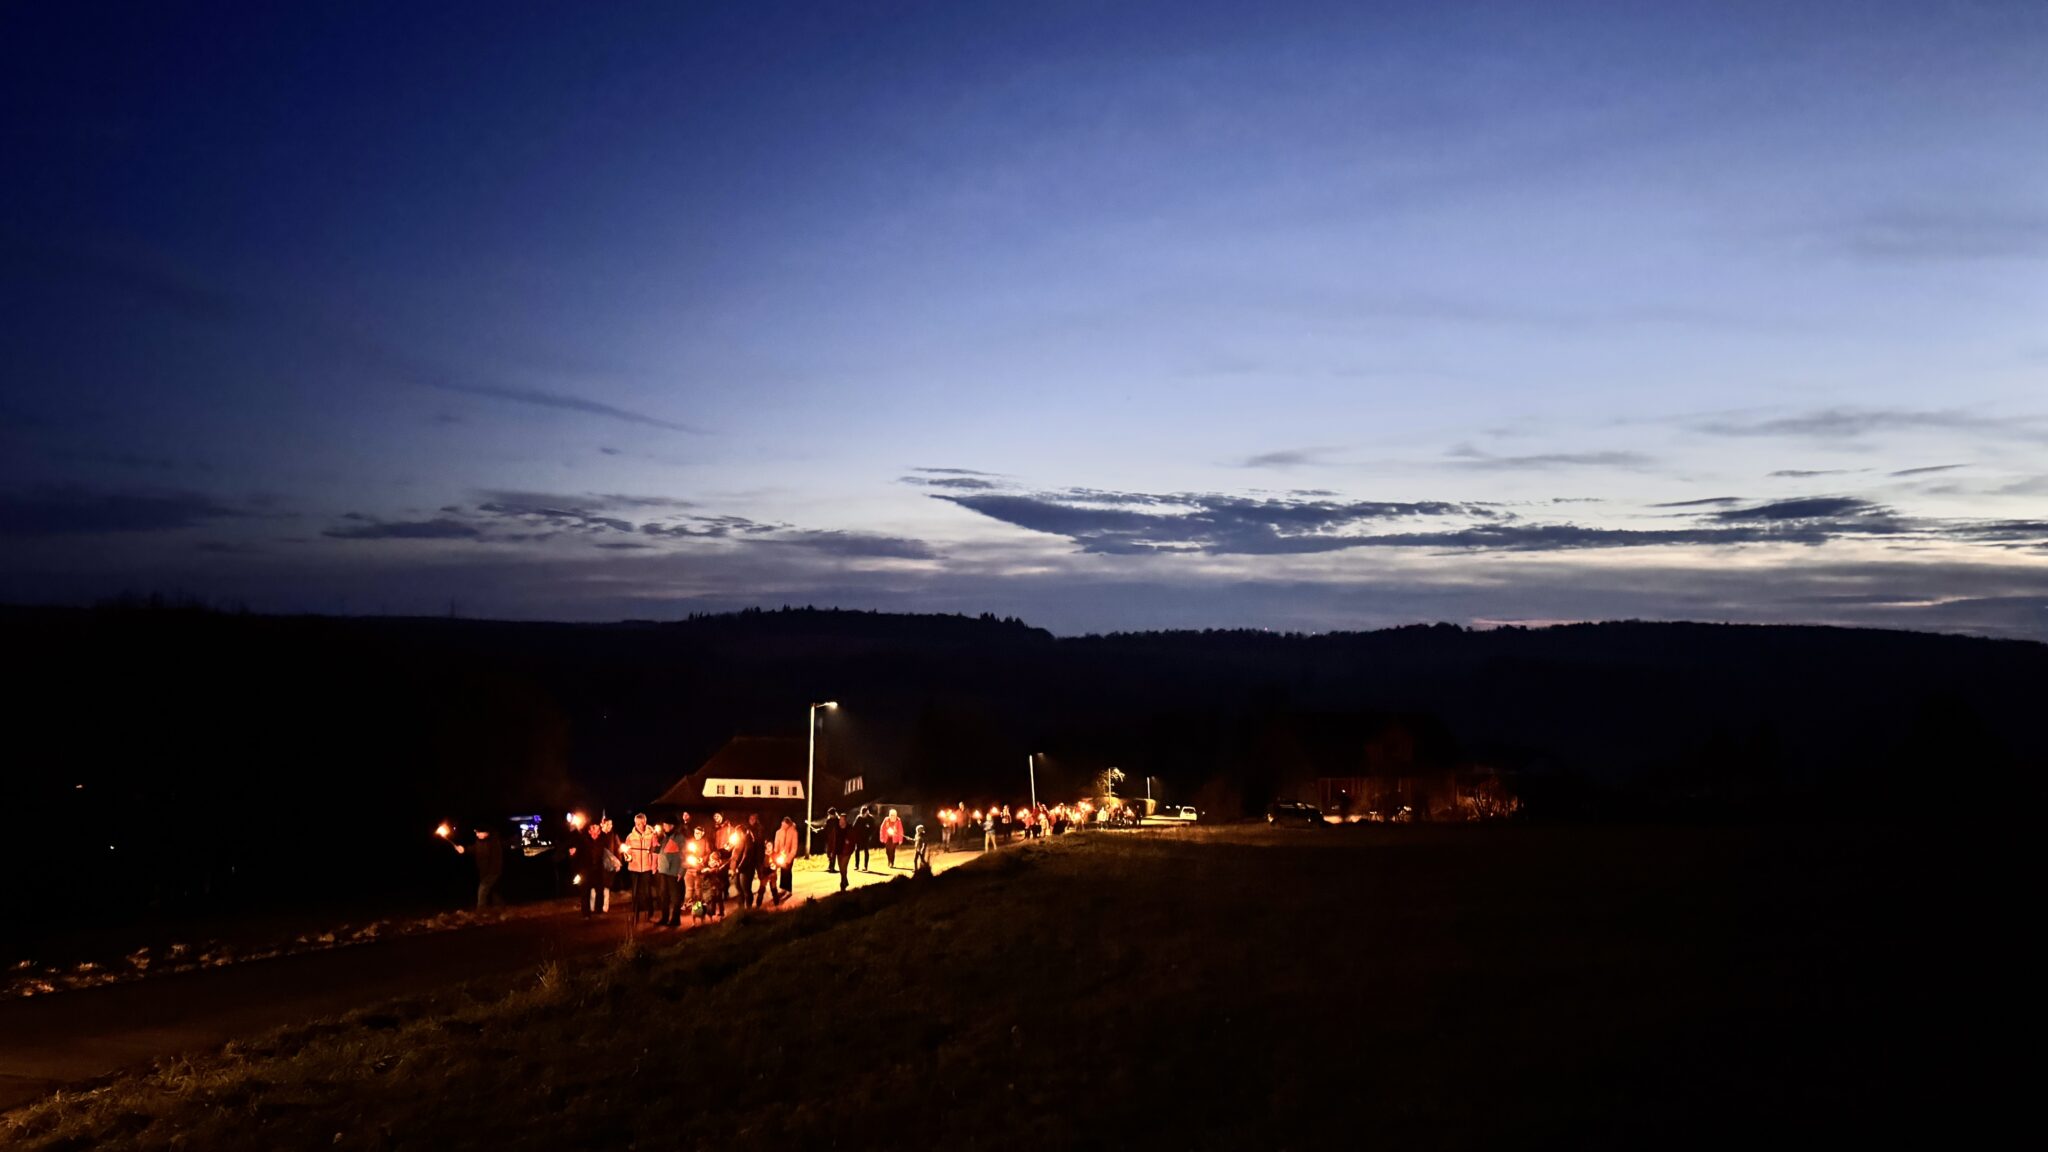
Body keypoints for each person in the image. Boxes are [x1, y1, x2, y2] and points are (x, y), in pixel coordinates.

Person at [452, 826, 505, 911]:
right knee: (494, 888)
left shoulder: (494, 842)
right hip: (483, 871)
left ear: (486, 833)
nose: (477, 835)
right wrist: (463, 849)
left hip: (493, 871)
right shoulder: (479, 841)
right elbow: (474, 849)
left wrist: (493, 871)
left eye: (479, 832)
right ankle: (499, 906)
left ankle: (481, 909)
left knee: (483, 888)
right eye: (476, 833)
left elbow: (497, 859)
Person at [625, 812, 660, 923]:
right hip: (634, 867)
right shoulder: (630, 837)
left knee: (647, 891)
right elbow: (626, 850)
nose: (640, 825)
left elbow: (655, 850)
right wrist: (628, 857)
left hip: (646, 867)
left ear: (645, 822)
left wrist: (654, 865)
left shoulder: (652, 835)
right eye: (638, 823)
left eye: (642, 823)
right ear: (635, 823)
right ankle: (635, 912)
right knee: (635, 892)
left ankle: (650, 913)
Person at [656, 819, 685, 927]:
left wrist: (681, 871)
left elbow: (685, 855)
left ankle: (675, 919)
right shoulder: (663, 837)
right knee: (664, 896)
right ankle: (664, 918)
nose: (663, 826)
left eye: (665, 824)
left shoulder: (679, 838)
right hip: (663, 871)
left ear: (672, 825)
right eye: (663, 824)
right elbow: (658, 851)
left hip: (674, 872)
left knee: (675, 897)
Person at [773, 816, 798, 904]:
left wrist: (790, 858)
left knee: (788, 872)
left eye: (785, 825)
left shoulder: (793, 832)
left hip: (789, 856)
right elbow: (776, 843)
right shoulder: (778, 832)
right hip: (781, 856)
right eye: (782, 824)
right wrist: (775, 854)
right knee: (782, 871)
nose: (783, 826)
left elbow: (794, 847)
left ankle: (788, 889)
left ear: (789, 824)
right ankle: (783, 887)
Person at [832, 812, 856, 891]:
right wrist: (831, 851)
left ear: (845, 820)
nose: (841, 822)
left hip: (847, 851)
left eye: (843, 820)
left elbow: (854, 839)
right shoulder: (836, 828)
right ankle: (845, 880)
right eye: (840, 820)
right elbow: (833, 840)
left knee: (843, 866)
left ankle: (842, 882)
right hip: (838, 850)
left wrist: (849, 842)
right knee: (841, 867)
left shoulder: (849, 828)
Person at [852, 805, 877, 872]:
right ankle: (856, 865)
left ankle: (865, 866)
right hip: (858, 837)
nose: (864, 815)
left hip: (866, 837)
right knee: (857, 850)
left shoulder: (870, 819)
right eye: (863, 814)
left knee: (866, 850)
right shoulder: (859, 818)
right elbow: (854, 827)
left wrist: (870, 836)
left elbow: (873, 828)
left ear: (867, 812)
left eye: (865, 814)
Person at [822, 808, 843, 873]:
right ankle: (830, 866)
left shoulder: (838, 820)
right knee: (829, 853)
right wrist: (819, 830)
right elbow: (825, 828)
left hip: (836, 840)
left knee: (833, 853)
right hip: (829, 839)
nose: (829, 815)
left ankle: (832, 867)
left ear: (833, 814)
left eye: (830, 814)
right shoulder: (829, 821)